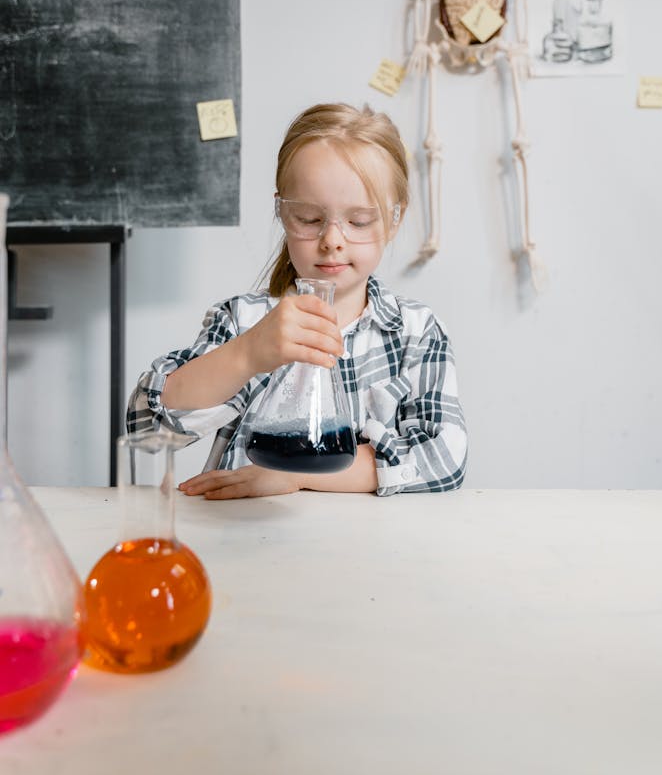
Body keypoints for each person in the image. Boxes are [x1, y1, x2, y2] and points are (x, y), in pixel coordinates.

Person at [127, 102, 467, 498]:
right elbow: (146, 427)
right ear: (282, 213)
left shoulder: (416, 332)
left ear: (394, 219)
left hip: (373, 551)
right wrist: (248, 353)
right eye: (308, 217)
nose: (332, 239)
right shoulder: (245, 320)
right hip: (247, 545)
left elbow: (445, 458)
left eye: (359, 221)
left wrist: (297, 477)